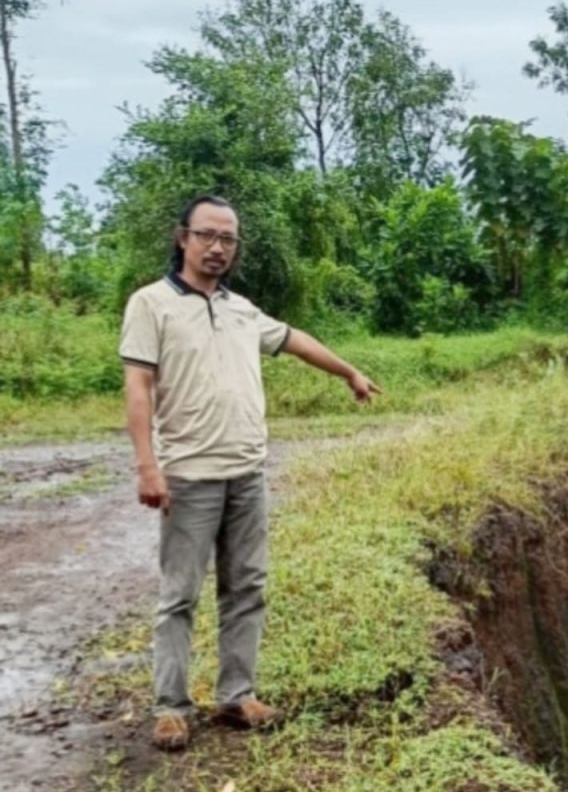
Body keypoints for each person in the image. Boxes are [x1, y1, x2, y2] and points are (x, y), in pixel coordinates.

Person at [119, 194, 382, 751]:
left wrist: (349, 371)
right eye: (207, 235)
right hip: (189, 473)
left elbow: (292, 339)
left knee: (247, 587)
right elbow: (138, 387)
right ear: (182, 237)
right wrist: (148, 464)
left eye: (228, 239)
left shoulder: (241, 309)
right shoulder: (151, 304)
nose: (217, 247)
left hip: (247, 472)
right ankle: (171, 706)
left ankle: (237, 696)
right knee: (180, 594)